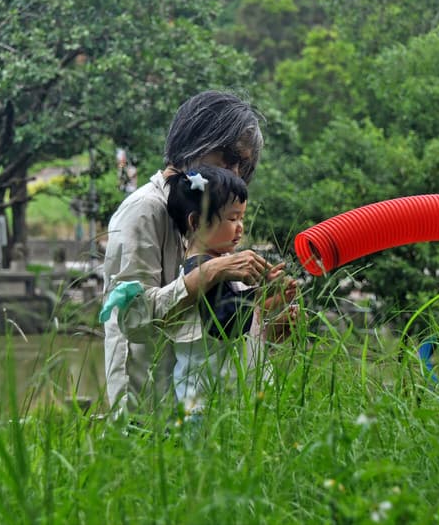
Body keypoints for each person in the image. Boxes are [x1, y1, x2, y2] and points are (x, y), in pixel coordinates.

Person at [102, 90, 272, 416]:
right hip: (147, 415)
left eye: (242, 163)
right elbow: (131, 319)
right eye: (228, 157)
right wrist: (208, 274)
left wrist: (265, 315)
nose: (235, 172)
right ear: (194, 142)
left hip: (195, 415)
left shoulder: (210, 214)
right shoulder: (144, 210)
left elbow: (211, 332)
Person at [164, 164, 299, 411]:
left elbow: (238, 324)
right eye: (232, 218)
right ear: (195, 222)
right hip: (206, 406)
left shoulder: (223, 264)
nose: (240, 227)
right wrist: (260, 294)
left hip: (227, 399)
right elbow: (224, 324)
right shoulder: (203, 271)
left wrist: (271, 305)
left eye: (242, 218)